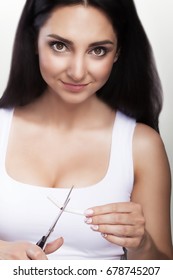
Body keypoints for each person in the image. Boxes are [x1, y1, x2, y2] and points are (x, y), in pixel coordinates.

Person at [0, 0, 172, 260]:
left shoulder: (141, 145)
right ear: (33, 40)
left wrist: (142, 244)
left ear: (118, 52)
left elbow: (161, 271)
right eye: (60, 46)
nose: (77, 72)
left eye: (98, 50)